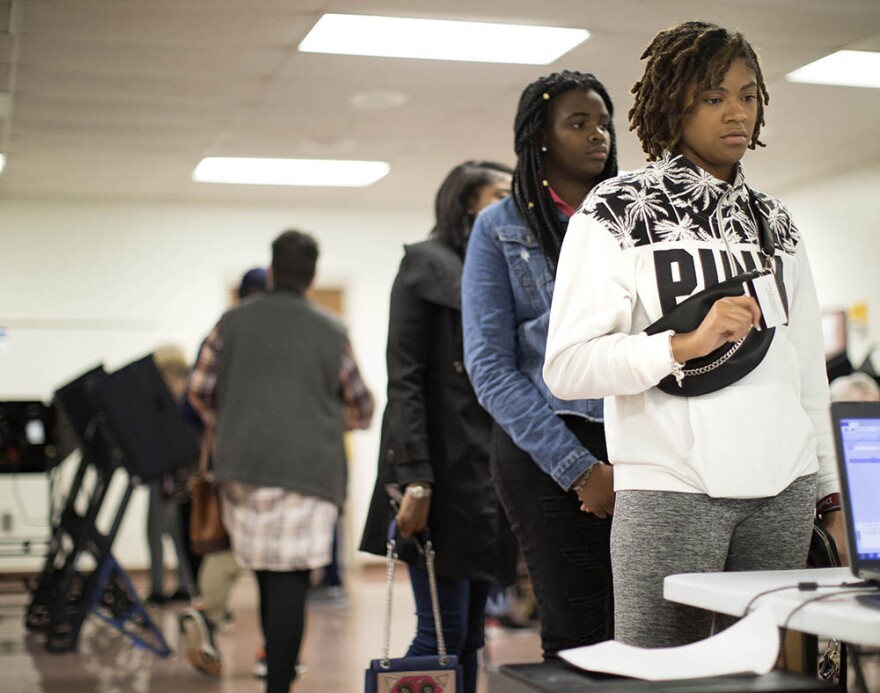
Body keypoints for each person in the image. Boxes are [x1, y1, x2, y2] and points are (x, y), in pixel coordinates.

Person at [543, 21, 846, 648]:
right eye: (713, 97)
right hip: (671, 491)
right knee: (659, 672)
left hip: (783, 492)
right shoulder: (616, 210)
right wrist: (680, 346)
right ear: (674, 103)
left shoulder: (776, 221)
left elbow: (805, 372)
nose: (736, 112)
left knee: (766, 672)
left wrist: (831, 498)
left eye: (748, 94)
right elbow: (568, 366)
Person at [461, 72, 619, 658]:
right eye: (578, 123)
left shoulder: (633, 220)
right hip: (547, 448)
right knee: (580, 631)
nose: (597, 134)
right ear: (541, 139)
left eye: (603, 122)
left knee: (646, 628)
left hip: (637, 441)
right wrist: (580, 470)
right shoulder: (498, 228)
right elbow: (490, 368)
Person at [188, 230, 374, 692]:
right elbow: (363, 406)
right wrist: (326, 420)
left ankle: (275, 676)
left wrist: (232, 417)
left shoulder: (229, 323)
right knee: (291, 581)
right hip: (309, 475)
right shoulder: (333, 331)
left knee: (268, 576)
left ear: (271, 271)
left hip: (243, 469)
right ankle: (278, 684)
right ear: (311, 277)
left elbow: (198, 390)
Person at [360, 160, 518, 693]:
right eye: (499, 194)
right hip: (437, 477)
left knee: (469, 637)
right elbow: (403, 380)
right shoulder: (424, 267)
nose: (511, 202)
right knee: (440, 636)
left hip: (485, 478)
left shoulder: (497, 271)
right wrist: (416, 479)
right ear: (465, 203)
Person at [179, 266, 268, 678]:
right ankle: (274, 652)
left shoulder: (220, 333)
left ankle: (206, 613)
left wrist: (219, 422)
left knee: (224, 547)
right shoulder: (277, 336)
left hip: (226, 462)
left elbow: (192, 400)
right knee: (276, 563)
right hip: (274, 464)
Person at [145, 344, 197, 605]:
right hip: (168, 478)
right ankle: (172, 586)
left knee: (172, 534)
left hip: (177, 481)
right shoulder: (176, 400)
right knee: (166, 534)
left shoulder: (184, 401)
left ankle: (176, 587)